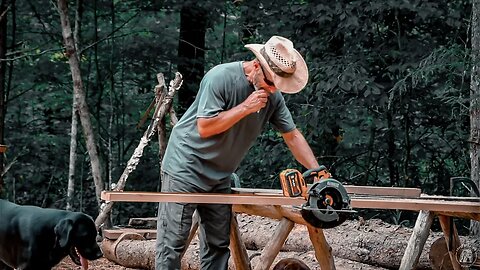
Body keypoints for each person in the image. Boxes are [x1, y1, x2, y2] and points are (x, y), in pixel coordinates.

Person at [155, 35, 320, 270]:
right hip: (186, 167)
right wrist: (246, 107)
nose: (271, 90)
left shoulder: (273, 97)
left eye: (276, 86)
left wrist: (316, 171)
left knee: (217, 245)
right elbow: (205, 126)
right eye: (270, 83)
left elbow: (292, 135)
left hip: (220, 174)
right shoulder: (220, 77)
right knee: (172, 244)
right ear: (255, 66)